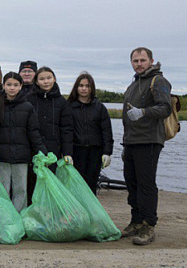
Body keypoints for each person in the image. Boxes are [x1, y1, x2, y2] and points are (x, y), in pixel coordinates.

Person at [121, 47, 173, 245]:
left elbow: (166, 107)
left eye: (143, 60)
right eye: (135, 60)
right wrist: (125, 143)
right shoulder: (134, 84)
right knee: (132, 183)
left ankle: (148, 225)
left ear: (151, 60)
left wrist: (143, 112)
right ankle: (135, 221)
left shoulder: (158, 81)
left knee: (146, 184)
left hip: (149, 141)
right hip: (131, 141)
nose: (139, 64)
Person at [0, 72, 47, 212]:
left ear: (21, 86)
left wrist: (43, 152)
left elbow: (33, 132)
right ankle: (3, 218)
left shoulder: (27, 107)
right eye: (9, 84)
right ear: (3, 86)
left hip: (21, 157)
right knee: (2, 190)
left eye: (16, 85)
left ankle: (19, 219)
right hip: (2, 157)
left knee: (21, 190)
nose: (12, 88)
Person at [68, 72, 113, 194]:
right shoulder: (69, 107)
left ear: (92, 88)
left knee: (91, 184)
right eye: (81, 85)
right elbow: (66, 131)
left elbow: (106, 131)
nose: (84, 88)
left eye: (87, 86)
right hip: (76, 151)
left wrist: (107, 152)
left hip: (95, 151)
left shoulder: (99, 108)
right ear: (76, 87)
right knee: (76, 184)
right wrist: (66, 152)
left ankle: (90, 212)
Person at [27, 67, 74, 164]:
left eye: (49, 78)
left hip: (54, 150)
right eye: (42, 79)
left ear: (54, 79)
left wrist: (67, 152)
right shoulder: (28, 99)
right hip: (31, 148)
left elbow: (66, 129)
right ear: (36, 82)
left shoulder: (62, 102)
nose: (46, 82)